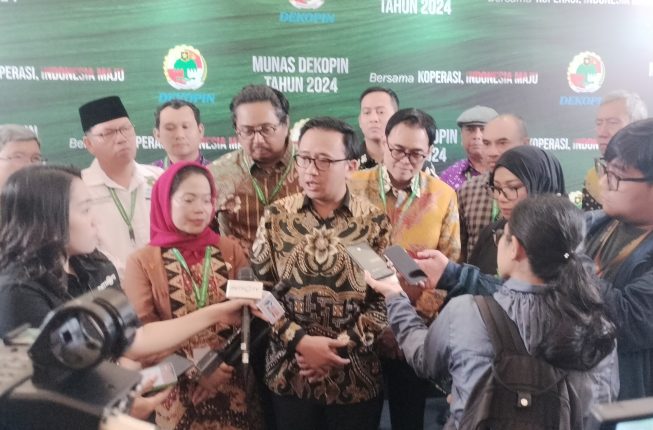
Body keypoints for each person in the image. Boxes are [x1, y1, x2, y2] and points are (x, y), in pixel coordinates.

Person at [0, 165, 254, 420]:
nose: (96, 220)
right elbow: (43, 395)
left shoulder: (96, 265)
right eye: (85, 209)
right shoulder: (19, 293)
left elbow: (134, 339)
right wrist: (113, 409)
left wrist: (217, 313)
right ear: (46, 216)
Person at [367, 195, 619, 429]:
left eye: (502, 237)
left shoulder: (466, 313)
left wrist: (395, 296)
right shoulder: (597, 327)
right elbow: (600, 407)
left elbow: (423, 358)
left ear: (516, 248)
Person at [250, 117, 391, 430]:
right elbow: (260, 293)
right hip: (290, 374)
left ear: (351, 166)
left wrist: (336, 349)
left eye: (324, 161)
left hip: (354, 378)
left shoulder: (373, 223)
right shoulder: (277, 217)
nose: (311, 170)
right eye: (304, 158)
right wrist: (301, 342)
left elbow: (383, 300)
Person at [124, 161, 262, 429]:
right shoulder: (142, 262)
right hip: (176, 386)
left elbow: (250, 314)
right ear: (165, 201)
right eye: (188, 200)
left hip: (230, 377)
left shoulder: (230, 250)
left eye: (207, 200)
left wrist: (221, 365)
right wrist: (196, 369)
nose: (200, 208)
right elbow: (141, 336)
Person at [350, 107, 459, 430]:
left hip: (410, 335)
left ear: (429, 152)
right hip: (355, 328)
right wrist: (374, 328)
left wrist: (405, 328)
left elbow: (447, 271)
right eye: (398, 150)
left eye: (416, 154)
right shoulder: (352, 186)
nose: (405, 160)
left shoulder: (443, 196)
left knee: (409, 419)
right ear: (384, 143)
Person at [585, 118, 653, 399]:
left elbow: (629, 319)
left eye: (617, 176)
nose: (603, 182)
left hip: (629, 405)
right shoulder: (593, 224)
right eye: (605, 169)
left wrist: (563, 263)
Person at [210, 85, 301, 256]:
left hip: (302, 270)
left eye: (267, 129)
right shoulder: (217, 174)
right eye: (247, 131)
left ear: (286, 124)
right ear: (237, 130)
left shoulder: (313, 167)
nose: (258, 140)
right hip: (239, 270)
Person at [79, 96, 163, 277]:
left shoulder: (159, 178)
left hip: (165, 282)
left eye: (126, 129)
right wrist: (133, 278)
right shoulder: (80, 189)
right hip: (111, 288)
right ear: (89, 144)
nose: (121, 138)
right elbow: (84, 250)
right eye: (108, 133)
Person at [468, 146, 566, 275]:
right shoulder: (492, 234)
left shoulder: (566, 241)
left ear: (541, 185)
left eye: (512, 187)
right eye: (497, 188)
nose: (501, 198)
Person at [458, 114, 529, 262]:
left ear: (525, 144)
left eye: (502, 143)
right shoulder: (468, 191)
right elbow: (460, 255)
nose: (492, 152)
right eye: (486, 143)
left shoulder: (539, 191)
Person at [582, 90, 647, 211]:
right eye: (599, 123)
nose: (602, 133)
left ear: (638, 126)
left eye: (613, 122)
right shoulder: (593, 177)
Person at [439, 105, 497, 191]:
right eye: (470, 130)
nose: (477, 136)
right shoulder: (449, 176)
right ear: (461, 136)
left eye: (483, 129)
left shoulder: (509, 172)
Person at [152, 100, 210, 169]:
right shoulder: (148, 174)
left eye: (185, 127)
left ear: (200, 131)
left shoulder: (218, 173)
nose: (179, 135)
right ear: (157, 135)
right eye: (170, 128)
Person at [357, 86, 400, 169]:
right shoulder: (347, 162)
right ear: (359, 121)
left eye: (381, 112)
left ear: (396, 118)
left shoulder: (411, 162)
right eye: (367, 112)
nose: (373, 119)